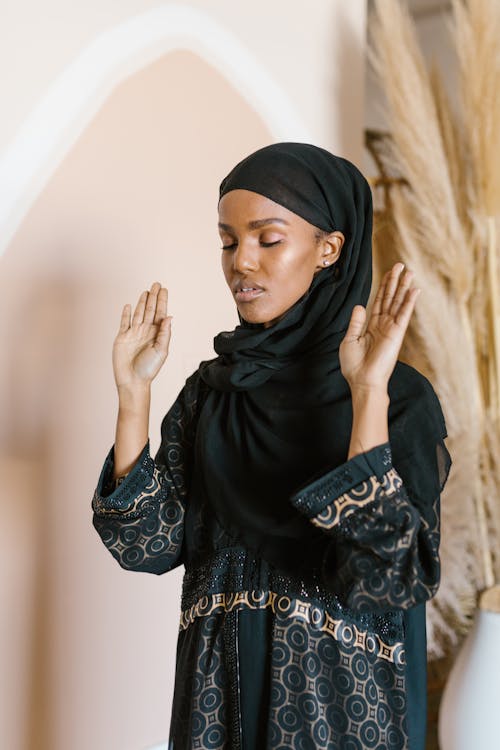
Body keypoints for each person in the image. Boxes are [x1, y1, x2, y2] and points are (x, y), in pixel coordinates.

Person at [91, 142, 452, 749]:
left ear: (329, 249)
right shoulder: (213, 393)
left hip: (339, 715)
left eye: (268, 239)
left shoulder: (400, 397)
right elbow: (145, 545)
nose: (242, 264)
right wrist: (133, 397)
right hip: (217, 707)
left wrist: (366, 394)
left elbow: (387, 579)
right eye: (229, 242)